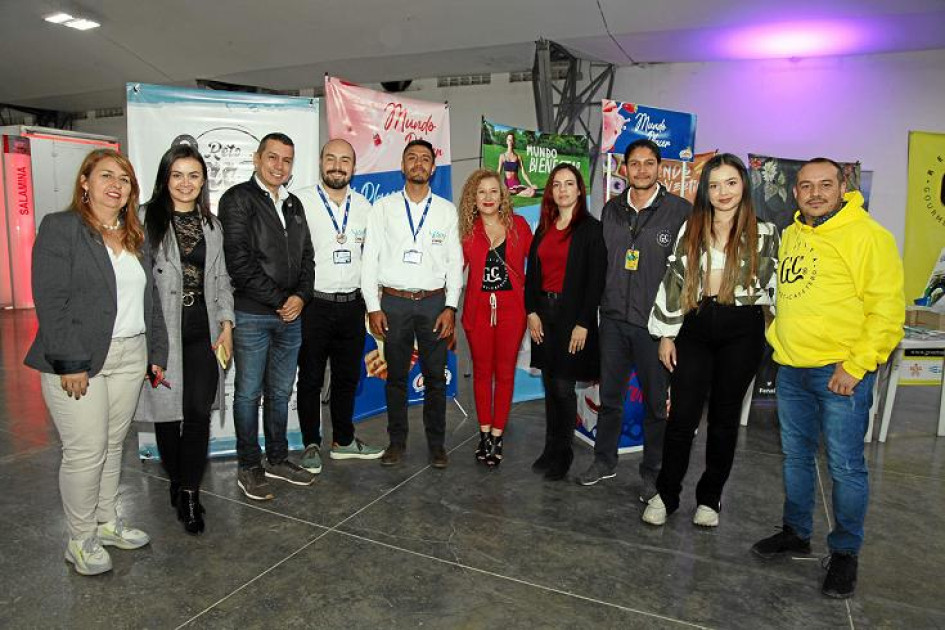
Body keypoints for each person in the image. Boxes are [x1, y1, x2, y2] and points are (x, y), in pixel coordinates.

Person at [752, 158, 904, 599]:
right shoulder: (795, 233)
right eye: (805, 186)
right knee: (795, 458)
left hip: (839, 373)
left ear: (843, 187)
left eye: (825, 184)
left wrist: (856, 366)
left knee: (845, 466)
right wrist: (777, 337)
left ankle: (844, 554)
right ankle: (796, 532)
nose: (814, 193)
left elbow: (887, 312)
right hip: (793, 367)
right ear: (795, 192)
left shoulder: (868, 236)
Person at [25, 148, 168, 575]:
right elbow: (51, 301)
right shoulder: (61, 228)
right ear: (84, 182)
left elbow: (151, 302)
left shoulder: (133, 236)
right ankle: (80, 539)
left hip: (130, 354)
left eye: (124, 179)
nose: (116, 185)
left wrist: (156, 353)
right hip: (80, 360)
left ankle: (106, 523)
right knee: (85, 451)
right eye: (106, 176)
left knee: (110, 446)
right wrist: (69, 361)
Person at [642, 153, 779, 528]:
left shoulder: (766, 233)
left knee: (724, 418)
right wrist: (666, 334)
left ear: (744, 186)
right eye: (715, 185)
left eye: (731, 183)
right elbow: (673, 282)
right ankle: (666, 494)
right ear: (705, 190)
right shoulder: (693, 229)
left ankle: (710, 499)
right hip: (696, 325)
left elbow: (776, 292)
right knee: (682, 417)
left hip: (742, 329)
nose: (723, 192)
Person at [578, 139, 692, 500]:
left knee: (657, 406)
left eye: (649, 163)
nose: (641, 170)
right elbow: (599, 266)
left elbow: (687, 275)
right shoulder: (611, 210)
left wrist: (673, 328)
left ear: (660, 167)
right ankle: (604, 460)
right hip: (612, 321)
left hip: (655, 328)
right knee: (610, 397)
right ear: (624, 168)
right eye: (635, 163)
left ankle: (652, 472)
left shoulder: (680, 212)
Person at [136, 145, 234, 534]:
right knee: (167, 414)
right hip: (162, 329)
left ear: (202, 181)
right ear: (165, 178)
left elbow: (224, 278)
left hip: (204, 327)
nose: (186, 183)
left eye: (194, 175)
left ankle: (191, 493)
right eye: (178, 174)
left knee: (196, 413)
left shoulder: (212, 225)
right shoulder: (144, 219)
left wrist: (227, 321)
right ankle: (176, 479)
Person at [219, 132, 316, 500]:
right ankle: (249, 466)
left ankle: (277, 459)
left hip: (291, 316)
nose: (279, 166)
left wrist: (302, 298)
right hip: (252, 316)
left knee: (279, 391)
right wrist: (281, 300)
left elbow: (308, 258)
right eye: (272, 158)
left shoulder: (294, 205)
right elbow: (239, 263)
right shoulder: (237, 200)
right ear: (257, 159)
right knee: (248, 393)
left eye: (287, 160)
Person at [361, 139, 463, 468]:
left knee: (435, 377)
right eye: (411, 158)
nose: (418, 163)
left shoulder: (446, 211)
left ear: (433, 168)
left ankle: (436, 445)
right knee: (396, 379)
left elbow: (454, 264)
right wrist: (373, 307)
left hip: (434, 304)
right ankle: (396, 443)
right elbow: (369, 261)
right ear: (403, 166)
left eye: (424, 159)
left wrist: (451, 307)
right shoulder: (383, 208)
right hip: (394, 304)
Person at [294, 138, 383, 473]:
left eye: (345, 160)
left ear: (353, 168)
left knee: (347, 378)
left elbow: (372, 259)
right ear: (320, 162)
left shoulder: (365, 207)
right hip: (313, 305)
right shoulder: (300, 201)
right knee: (311, 379)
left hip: (352, 306)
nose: (337, 165)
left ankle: (343, 441)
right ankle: (310, 444)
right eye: (331, 158)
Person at [524, 163, 606, 481]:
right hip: (544, 316)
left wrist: (584, 323)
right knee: (549, 384)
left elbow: (595, 281)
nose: (562, 189)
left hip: (573, 319)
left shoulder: (591, 229)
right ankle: (550, 448)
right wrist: (531, 311)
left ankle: (564, 453)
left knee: (562, 386)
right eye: (556, 184)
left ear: (579, 189)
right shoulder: (544, 227)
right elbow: (532, 275)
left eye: (569, 184)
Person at [458, 169, 533, 467]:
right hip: (477, 313)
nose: (488, 197)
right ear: (473, 199)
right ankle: (484, 434)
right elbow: (452, 273)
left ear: (502, 195)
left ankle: (498, 436)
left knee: (504, 375)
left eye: (493, 191)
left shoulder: (520, 226)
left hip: (512, 313)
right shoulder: (466, 231)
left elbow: (538, 265)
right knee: (481, 374)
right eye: (481, 192)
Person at [499, 133, 537, 197]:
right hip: (507, 184)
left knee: (532, 192)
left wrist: (531, 184)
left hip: (516, 185)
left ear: (514, 142)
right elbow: (498, 172)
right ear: (506, 141)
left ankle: (516, 192)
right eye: (509, 140)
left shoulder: (518, 157)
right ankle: (512, 191)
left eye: (511, 140)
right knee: (503, 191)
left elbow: (523, 173)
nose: (510, 142)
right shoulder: (502, 156)